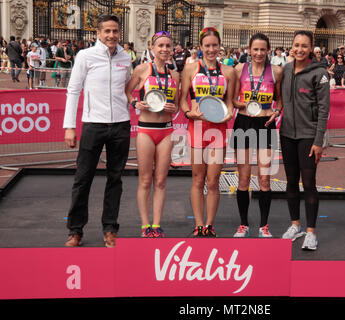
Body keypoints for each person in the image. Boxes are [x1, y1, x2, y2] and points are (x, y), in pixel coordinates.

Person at [63, 14, 132, 248]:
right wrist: (69, 127)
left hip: (121, 124)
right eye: (107, 31)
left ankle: (110, 228)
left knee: (115, 179)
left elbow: (128, 89)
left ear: (119, 32)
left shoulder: (125, 57)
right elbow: (73, 90)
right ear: (98, 33)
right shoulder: (85, 56)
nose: (111, 35)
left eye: (115, 31)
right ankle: (75, 230)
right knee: (83, 179)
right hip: (93, 124)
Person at [180, 27, 235, 237]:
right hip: (197, 128)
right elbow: (182, 99)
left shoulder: (228, 71)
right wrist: (188, 112)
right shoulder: (191, 69)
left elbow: (229, 103)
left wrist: (229, 113)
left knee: (213, 180)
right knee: (197, 179)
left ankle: (210, 225)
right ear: (201, 48)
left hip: (218, 130)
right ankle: (199, 224)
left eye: (214, 45)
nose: (211, 49)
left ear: (219, 46)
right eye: (207, 46)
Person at [125, 31, 180, 238]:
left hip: (166, 130)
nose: (165, 49)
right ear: (152, 48)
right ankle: (145, 225)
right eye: (161, 46)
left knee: (161, 181)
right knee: (145, 180)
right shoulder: (142, 70)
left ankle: (157, 225)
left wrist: (175, 109)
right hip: (146, 130)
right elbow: (127, 91)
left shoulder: (175, 75)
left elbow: (177, 104)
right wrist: (134, 103)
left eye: (168, 46)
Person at [280, 30, 330, 250]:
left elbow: (323, 109)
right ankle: (295, 225)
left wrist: (319, 141)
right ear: (292, 46)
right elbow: (281, 98)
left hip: (309, 136)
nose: (299, 49)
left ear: (311, 48)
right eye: (296, 45)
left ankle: (311, 232)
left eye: (304, 46)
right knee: (291, 181)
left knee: (309, 183)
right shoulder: (286, 69)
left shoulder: (319, 74)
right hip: (287, 134)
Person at [231, 33, 282, 238]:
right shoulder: (239, 69)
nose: (259, 53)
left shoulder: (277, 71)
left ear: (268, 50)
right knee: (243, 178)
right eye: (255, 49)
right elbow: (233, 100)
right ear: (249, 50)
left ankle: (264, 225)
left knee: (265, 179)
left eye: (263, 49)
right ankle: (243, 224)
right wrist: (244, 104)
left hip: (266, 123)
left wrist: (276, 112)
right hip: (244, 122)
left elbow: (279, 101)